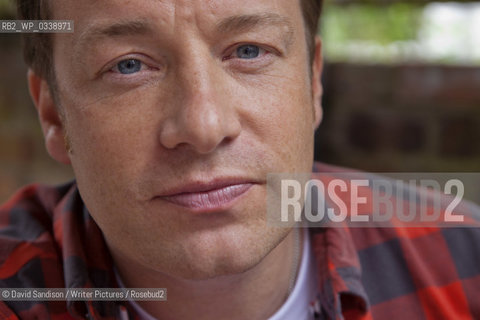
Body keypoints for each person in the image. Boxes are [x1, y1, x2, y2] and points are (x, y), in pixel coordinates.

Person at [1, 0, 480, 319]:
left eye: (249, 50)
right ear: (54, 114)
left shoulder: (462, 258)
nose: (204, 128)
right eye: (128, 65)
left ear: (313, 82)